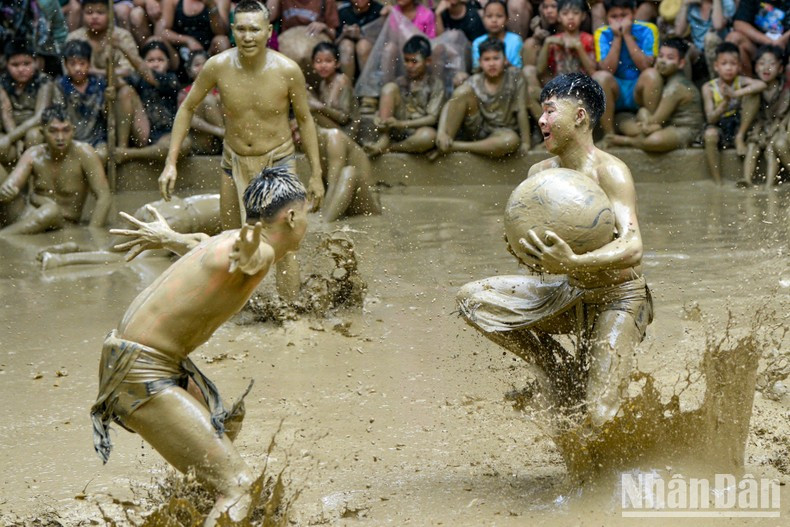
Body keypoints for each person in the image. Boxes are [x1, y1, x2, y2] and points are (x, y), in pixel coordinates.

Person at [90, 167, 308, 527]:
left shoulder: (226, 239)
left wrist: (167, 236)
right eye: (307, 214)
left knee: (228, 425)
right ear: (292, 216)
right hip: (141, 370)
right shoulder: (259, 251)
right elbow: (248, 256)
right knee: (241, 486)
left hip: (138, 360)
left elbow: (205, 248)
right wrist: (249, 251)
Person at [456, 72, 652, 428]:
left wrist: (576, 260)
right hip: (569, 291)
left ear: (579, 116)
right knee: (473, 299)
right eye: (542, 113)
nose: (541, 120)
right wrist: (522, 251)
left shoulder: (612, 171)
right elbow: (538, 250)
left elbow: (633, 245)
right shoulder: (539, 172)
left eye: (549, 111)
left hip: (618, 297)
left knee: (600, 415)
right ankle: (552, 369)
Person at [159, 0, 324, 300]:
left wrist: (316, 174)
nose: (248, 37)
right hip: (232, 160)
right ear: (233, 30)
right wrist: (171, 162)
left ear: (268, 31)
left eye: (255, 30)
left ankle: (292, 313)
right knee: (231, 241)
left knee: (283, 245)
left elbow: (304, 119)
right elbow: (186, 108)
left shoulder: (287, 70)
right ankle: (240, 309)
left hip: (279, 161)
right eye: (242, 30)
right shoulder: (218, 66)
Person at [0, 105, 111, 234]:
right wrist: (6, 191)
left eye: (65, 130)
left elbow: (104, 197)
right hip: (28, 215)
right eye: (53, 131)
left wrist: (93, 233)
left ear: (73, 131)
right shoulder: (34, 154)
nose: (60, 137)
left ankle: (4, 238)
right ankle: (6, 236)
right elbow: (12, 184)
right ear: (42, 132)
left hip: (63, 224)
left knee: (51, 211)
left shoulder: (84, 154)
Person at [37, 194, 221, 269]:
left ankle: (74, 247)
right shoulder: (242, 209)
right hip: (177, 221)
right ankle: (59, 260)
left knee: (112, 250)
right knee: (127, 261)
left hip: (159, 207)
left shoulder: (229, 194)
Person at [436, 38, 530, 156]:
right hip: (479, 130)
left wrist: (526, 142)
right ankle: (445, 142)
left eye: (496, 58)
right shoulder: (474, 80)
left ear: (505, 60)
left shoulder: (515, 76)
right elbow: (450, 103)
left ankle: (455, 146)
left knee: (510, 141)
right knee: (462, 91)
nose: (491, 63)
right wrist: (441, 133)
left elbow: (521, 109)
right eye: (487, 59)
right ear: (480, 62)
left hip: (503, 132)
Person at [607, 38, 704, 152]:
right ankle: (637, 133)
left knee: (654, 139)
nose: (663, 61)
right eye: (661, 56)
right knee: (622, 119)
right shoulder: (665, 78)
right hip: (663, 125)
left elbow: (656, 121)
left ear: (681, 63)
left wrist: (645, 118)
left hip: (685, 128)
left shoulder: (676, 87)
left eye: (670, 58)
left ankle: (626, 141)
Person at [365, 35, 445, 156]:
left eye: (414, 62)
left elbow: (432, 118)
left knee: (428, 137)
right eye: (406, 61)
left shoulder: (435, 85)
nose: (409, 66)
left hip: (418, 129)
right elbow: (388, 110)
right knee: (389, 88)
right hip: (396, 129)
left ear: (427, 61)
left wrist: (401, 124)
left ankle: (391, 148)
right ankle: (383, 141)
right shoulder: (400, 82)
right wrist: (380, 117)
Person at [591, 0, 661, 137]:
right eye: (614, 16)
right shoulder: (602, 33)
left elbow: (646, 66)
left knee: (652, 74)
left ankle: (652, 125)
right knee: (600, 77)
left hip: (638, 89)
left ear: (634, 13)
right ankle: (609, 135)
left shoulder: (648, 29)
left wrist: (628, 35)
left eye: (624, 15)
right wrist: (617, 37)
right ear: (606, 18)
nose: (620, 21)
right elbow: (607, 69)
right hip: (616, 91)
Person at [702, 42, 765, 183]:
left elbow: (761, 85)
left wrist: (735, 94)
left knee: (753, 95)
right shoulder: (709, 87)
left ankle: (739, 138)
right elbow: (710, 118)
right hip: (719, 125)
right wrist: (724, 103)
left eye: (733, 64)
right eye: (724, 64)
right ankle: (717, 181)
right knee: (709, 135)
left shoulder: (740, 81)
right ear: (716, 66)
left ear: (739, 67)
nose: (729, 68)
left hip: (738, 125)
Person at [523, 0, 596, 122]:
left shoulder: (588, 40)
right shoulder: (554, 41)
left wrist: (579, 48)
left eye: (575, 13)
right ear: (559, 17)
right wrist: (547, 43)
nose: (570, 17)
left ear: (583, 16)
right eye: (565, 14)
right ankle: (549, 131)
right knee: (531, 93)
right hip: (558, 92)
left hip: (580, 93)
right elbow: (540, 71)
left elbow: (593, 71)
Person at [293, 123, 381, 221]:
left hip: (369, 205)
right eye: (292, 134)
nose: (296, 137)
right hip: (344, 204)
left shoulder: (334, 138)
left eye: (298, 130)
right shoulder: (310, 148)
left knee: (349, 173)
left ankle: (325, 223)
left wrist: (321, 218)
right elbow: (323, 188)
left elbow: (333, 184)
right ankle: (325, 219)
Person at [114, 41, 181, 164]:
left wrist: (122, 46)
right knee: (125, 92)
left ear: (168, 63)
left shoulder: (171, 79)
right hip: (142, 133)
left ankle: (129, 155)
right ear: (144, 62)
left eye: (160, 60)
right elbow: (116, 82)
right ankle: (121, 147)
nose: (156, 64)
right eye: (150, 61)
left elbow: (147, 74)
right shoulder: (137, 78)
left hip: (165, 134)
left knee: (178, 146)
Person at [740, 45, 790, 187]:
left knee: (771, 149)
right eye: (762, 63)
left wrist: (773, 132)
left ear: (780, 69)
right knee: (752, 147)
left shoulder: (785, 92)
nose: (766, 68)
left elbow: (783, 117)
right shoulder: (754, 89)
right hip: (760, 128)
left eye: (772, 64)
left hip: (776, 129)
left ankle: (769, 185)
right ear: (755, 67)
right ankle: (747, 180)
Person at [0, 40, 54, 166]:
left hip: (34, 131)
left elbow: (39, 117)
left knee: (33, 136)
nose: (21, 69)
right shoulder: (2, 82)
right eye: (15, 65)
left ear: (36, 63)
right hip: (11, 130)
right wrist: (16, 140)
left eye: (26, 64)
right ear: (6, 64)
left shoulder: (44, 81)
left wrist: (11, 138)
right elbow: (6, 114)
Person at [53, 40, 109, 159]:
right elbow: (60, 115)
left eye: (82, 63)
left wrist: (109, 101)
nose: (78, 68)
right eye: (72, 64)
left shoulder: (100, 83)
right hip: (71, 138)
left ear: (89, 64)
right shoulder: (60, 85)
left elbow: (106, 114)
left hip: (96, 138)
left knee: (102, 155)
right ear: (66, 65)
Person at [66, 0, 143, 79]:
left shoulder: (122, 36)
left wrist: (93, 72)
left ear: (110, 14)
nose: (94, 17)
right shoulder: (73, 38)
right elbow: (68, 71)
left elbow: (129, 70)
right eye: (89, 13)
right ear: (82, 14)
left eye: (100, 13)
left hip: (117, 85)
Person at [178, 50, 225, 155]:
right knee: (207, 100)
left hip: (218, 141)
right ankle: (227, 142)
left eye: (205, 64)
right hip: (201, 141)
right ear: (189, 71)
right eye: (197, 65)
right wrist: (218, 131)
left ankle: (227, 142)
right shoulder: (185, 93)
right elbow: (186, 120)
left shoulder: (220, 91)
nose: (201, 68)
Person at [726, 0, 790, 76]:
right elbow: (739, 23)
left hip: (785, 50)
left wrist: (783, 40)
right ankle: (750, 83)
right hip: (757, 50)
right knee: (734, 38)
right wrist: (770, 42)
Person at [674, 0, 735, 77]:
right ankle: (686, 85)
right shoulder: (692, 5)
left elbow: (718, 25)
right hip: (699, 50)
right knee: (682, 47)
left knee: (710, 38)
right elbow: (678, 32)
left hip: (719, 47)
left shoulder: (726, 3)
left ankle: (715, 82)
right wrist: (685, 4)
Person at [309, 42, 357, 133]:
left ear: (337, 63)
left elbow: (344, 118)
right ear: (313, 64)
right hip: (333, 127)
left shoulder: (342, 81)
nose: (323, 65)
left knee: (313, 114)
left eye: (328, 61)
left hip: (346, 131)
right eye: (318, 61)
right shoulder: (323, 83)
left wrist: (321, 108)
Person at [158, 0, 232, 58]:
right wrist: (187, 41)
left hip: (209, 52)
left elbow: (221, 32)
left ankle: (223, 75)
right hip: (181, 53)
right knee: (155, 41)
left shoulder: (220, 1)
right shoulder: (172, 1)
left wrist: (212, 6)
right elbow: (162, 32)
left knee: (222, 41)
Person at [336, 0, 385, 80]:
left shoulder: (379, 11)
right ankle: (347, 87)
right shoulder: (343, 12)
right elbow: (334, 44)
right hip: (347, 63)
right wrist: (343, 34)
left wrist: (360, 36)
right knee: (346, 45)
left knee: (363, 45)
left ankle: (367, 86)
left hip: (372, 63)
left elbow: (383, 42)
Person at [472, 0, 523, 69]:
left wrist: (506, 64)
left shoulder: (516, 40)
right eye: (489, 16)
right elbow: (476, 69)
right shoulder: (478, 42)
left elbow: (518, 70)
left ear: (506, 19)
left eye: (499, 16)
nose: (494, 20)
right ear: (483, 19)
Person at [522, 0, 560, 66]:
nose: (549, 11)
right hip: (543, 66)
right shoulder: (537, 22)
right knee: (530, 43)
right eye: (545, 7)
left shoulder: (568, 20)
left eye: (554, 6)